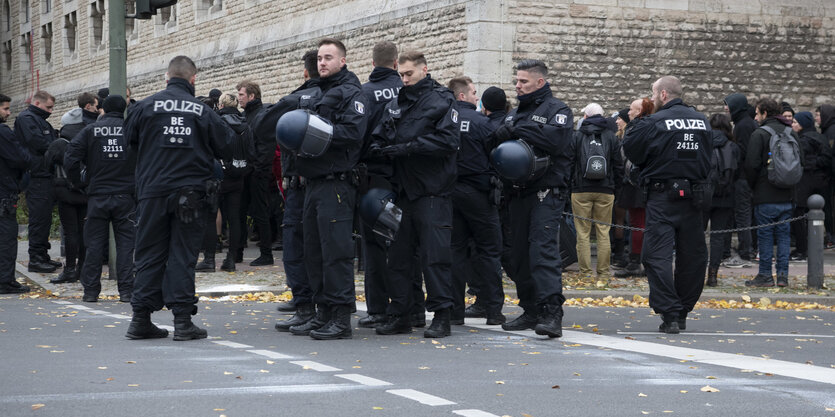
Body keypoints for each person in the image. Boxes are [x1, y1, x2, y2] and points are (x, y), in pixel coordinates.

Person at [123, 56, 232, 340]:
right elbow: (227, 145)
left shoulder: (144, 107)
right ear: (193, 79)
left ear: (167, 77)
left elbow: (129, 144)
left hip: (152, 192)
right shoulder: (203, 111)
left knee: (148, 254)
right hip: (190, 195)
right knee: (183, 256)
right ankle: (183, 321)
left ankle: (140, 319)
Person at [370, 50, 460, 338]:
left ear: (424, 69)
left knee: (435, 256)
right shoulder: (397, 101)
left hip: (432, 190)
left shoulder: (442, 99)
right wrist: (378, 148)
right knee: (397, 257)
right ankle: (402, 313)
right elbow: (382, 132)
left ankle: (442, 315)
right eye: (401, 74)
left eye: (409, 74)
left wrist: (408, 148)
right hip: (402, 190)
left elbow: (448, 140)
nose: (405, 79)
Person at [288, 38, 367, 340]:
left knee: (336, 252)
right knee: (314, 252)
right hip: (313, 183)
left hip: (336, 182)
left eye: (328, 58)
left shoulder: (351, 93)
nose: (322, 63)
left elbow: (353, 132)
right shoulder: (320, 91)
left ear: (343, 61)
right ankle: (323, 312)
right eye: (319, 58)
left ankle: (341, 316)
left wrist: (315, 133)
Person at [489, 59, 574, 338]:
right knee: (518, 255)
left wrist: (519, 129)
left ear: (540, 82)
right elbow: (493, 141)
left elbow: (556, 141)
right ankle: (530, 309)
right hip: (517, 193)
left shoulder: (558, 110)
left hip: (546, 192)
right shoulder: (515, 114)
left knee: (543, 252)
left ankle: (552, 313)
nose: (517, 86)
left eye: (523, 81)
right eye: (516, 81)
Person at [623, 76, 713, 334]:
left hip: (661, 197)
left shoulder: (654, 122)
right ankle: (682, 309)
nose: (650, 99)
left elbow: (631, 149)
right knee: (693, 257)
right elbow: (709, 160)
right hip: (694, 197)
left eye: (652, 94)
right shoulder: (702, 121)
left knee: (656, 256)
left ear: (663, 94)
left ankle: (670, 312)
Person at [262, 50, 322, 331]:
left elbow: (261, 127)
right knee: (328, 248)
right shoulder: (343, 95)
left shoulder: (294, 100)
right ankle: (327, 307)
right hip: (333, 184)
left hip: (300, 184)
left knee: (296, 245)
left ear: (305, 72)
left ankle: (306, 306)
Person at [65, 95, 136, 302]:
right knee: (125, 245)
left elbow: (70, 157)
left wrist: (78, 182)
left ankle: (91, 292)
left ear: (103, 108)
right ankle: (126, 291)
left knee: (94, 245)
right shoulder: (131, 130)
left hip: (97, 196)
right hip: (125, 196)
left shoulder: (90, 131)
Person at [447, 76, 505, 326]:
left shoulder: (443, 120)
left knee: (456, 252)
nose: (475, 96)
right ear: (462, 96)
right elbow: (499, 155)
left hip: (450, 192)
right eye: (472, 92)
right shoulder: (484, 122)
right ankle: (492, 309)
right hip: (479, 194)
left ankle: (454, 311)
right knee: (489, 251)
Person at [356, 41, 403, 329]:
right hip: (406, 176)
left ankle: (377, 309)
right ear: (397, 64)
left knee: (374, 245)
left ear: (373, 64)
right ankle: (407, 306)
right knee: (404, 243)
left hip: (373, 177)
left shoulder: (363, 92)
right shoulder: (410, 89)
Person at [744, 98, 803, 288]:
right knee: (784, 235)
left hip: (765, 193)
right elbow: (800, 161)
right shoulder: (791, 132)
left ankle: (765, 275)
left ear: (765, 113)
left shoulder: (759, 134)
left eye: (757, 113)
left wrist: (753, 187)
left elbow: (751, 165)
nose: (755, 116)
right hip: (788, 193)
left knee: (766, 235)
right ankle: (783, 276)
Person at [571, 103, 623, 279]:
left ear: (586, 117)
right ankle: (603, 273)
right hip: (605, 190)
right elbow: (618, 165)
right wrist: (616, 187)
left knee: (583, 233)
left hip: (580, 190)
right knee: (603, 231)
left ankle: (585, 274)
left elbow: (570, 163)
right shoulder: (611, 136)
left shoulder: (577, 136)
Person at [15, 90, 60, 273]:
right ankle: (36, 258)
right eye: (48, 107)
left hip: (44, 175)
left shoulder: (40, 120)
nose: (51, 111)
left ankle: (42, 254)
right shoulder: (27, 119)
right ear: (38, 103)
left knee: (44, 218)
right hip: (36, 176)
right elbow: (39, 143)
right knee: (39, 219)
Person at [44, 108, 88, 285]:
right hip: (85, 193)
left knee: (70, 233)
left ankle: (69, 270)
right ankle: (83, 270)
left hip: (65, 193)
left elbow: (47, 165)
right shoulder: (87, 138)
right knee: (85, 233)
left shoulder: (58, 143)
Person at [213, 93, 253, 272]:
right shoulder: (245, 124)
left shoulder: (218, 122)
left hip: (220, 174)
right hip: (239, 174)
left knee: (213, 213)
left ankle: (209, 255)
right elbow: (251, 151)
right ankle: (233, 256)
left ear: (221, 105)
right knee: (235, 217)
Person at [237, 80, 274, 266]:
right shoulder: (245, 116)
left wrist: (256, 168)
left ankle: (266, 254)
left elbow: (266, 147)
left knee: (260, 212)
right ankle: (237, 252)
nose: (238, 98)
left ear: (252, 96)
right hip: (246, 172)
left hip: (257, 173)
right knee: (240, 212)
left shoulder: (261, 116)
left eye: (241, 94)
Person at [613, 98, 651, 278]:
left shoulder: (638, 128)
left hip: (636, 182)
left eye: (632, 110)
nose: (628, 113)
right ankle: (638, 260)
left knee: (638, 223)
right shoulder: (646, 126)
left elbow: (629, 156)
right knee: (638, 223)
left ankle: (636, 262)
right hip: (638, 181)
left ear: (641, 111)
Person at [703, 113, 741, 286]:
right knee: (717, 237)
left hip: (704, 194)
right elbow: (738, 172)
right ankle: (712, 275)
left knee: (697, 234)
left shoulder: (703, 144)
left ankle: (696, 271)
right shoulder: (733, 147)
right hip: (725, 195)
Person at [0, 93, 32, 294]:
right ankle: (5, 281)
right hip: (4, 193)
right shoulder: (2, 131)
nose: (8, 112)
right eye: (5, 108)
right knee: (6, 239)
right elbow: (20, 158)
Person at [723, 93, 758, 266]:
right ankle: (745, 249)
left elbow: (743, 153)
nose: (725, 108)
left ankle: (745, 251)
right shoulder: (744, 123)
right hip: (744, 177)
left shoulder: (743, 125)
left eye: (728, 105)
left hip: (742, 178)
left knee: (742, 214)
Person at [790, 111, 830, 261]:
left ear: (802, 125)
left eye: (795, 122)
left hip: (805, 182)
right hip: (821, 182)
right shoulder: (821, 138)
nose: (792, 124)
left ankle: (802, 249)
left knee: (799, 214)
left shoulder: (803, 140)